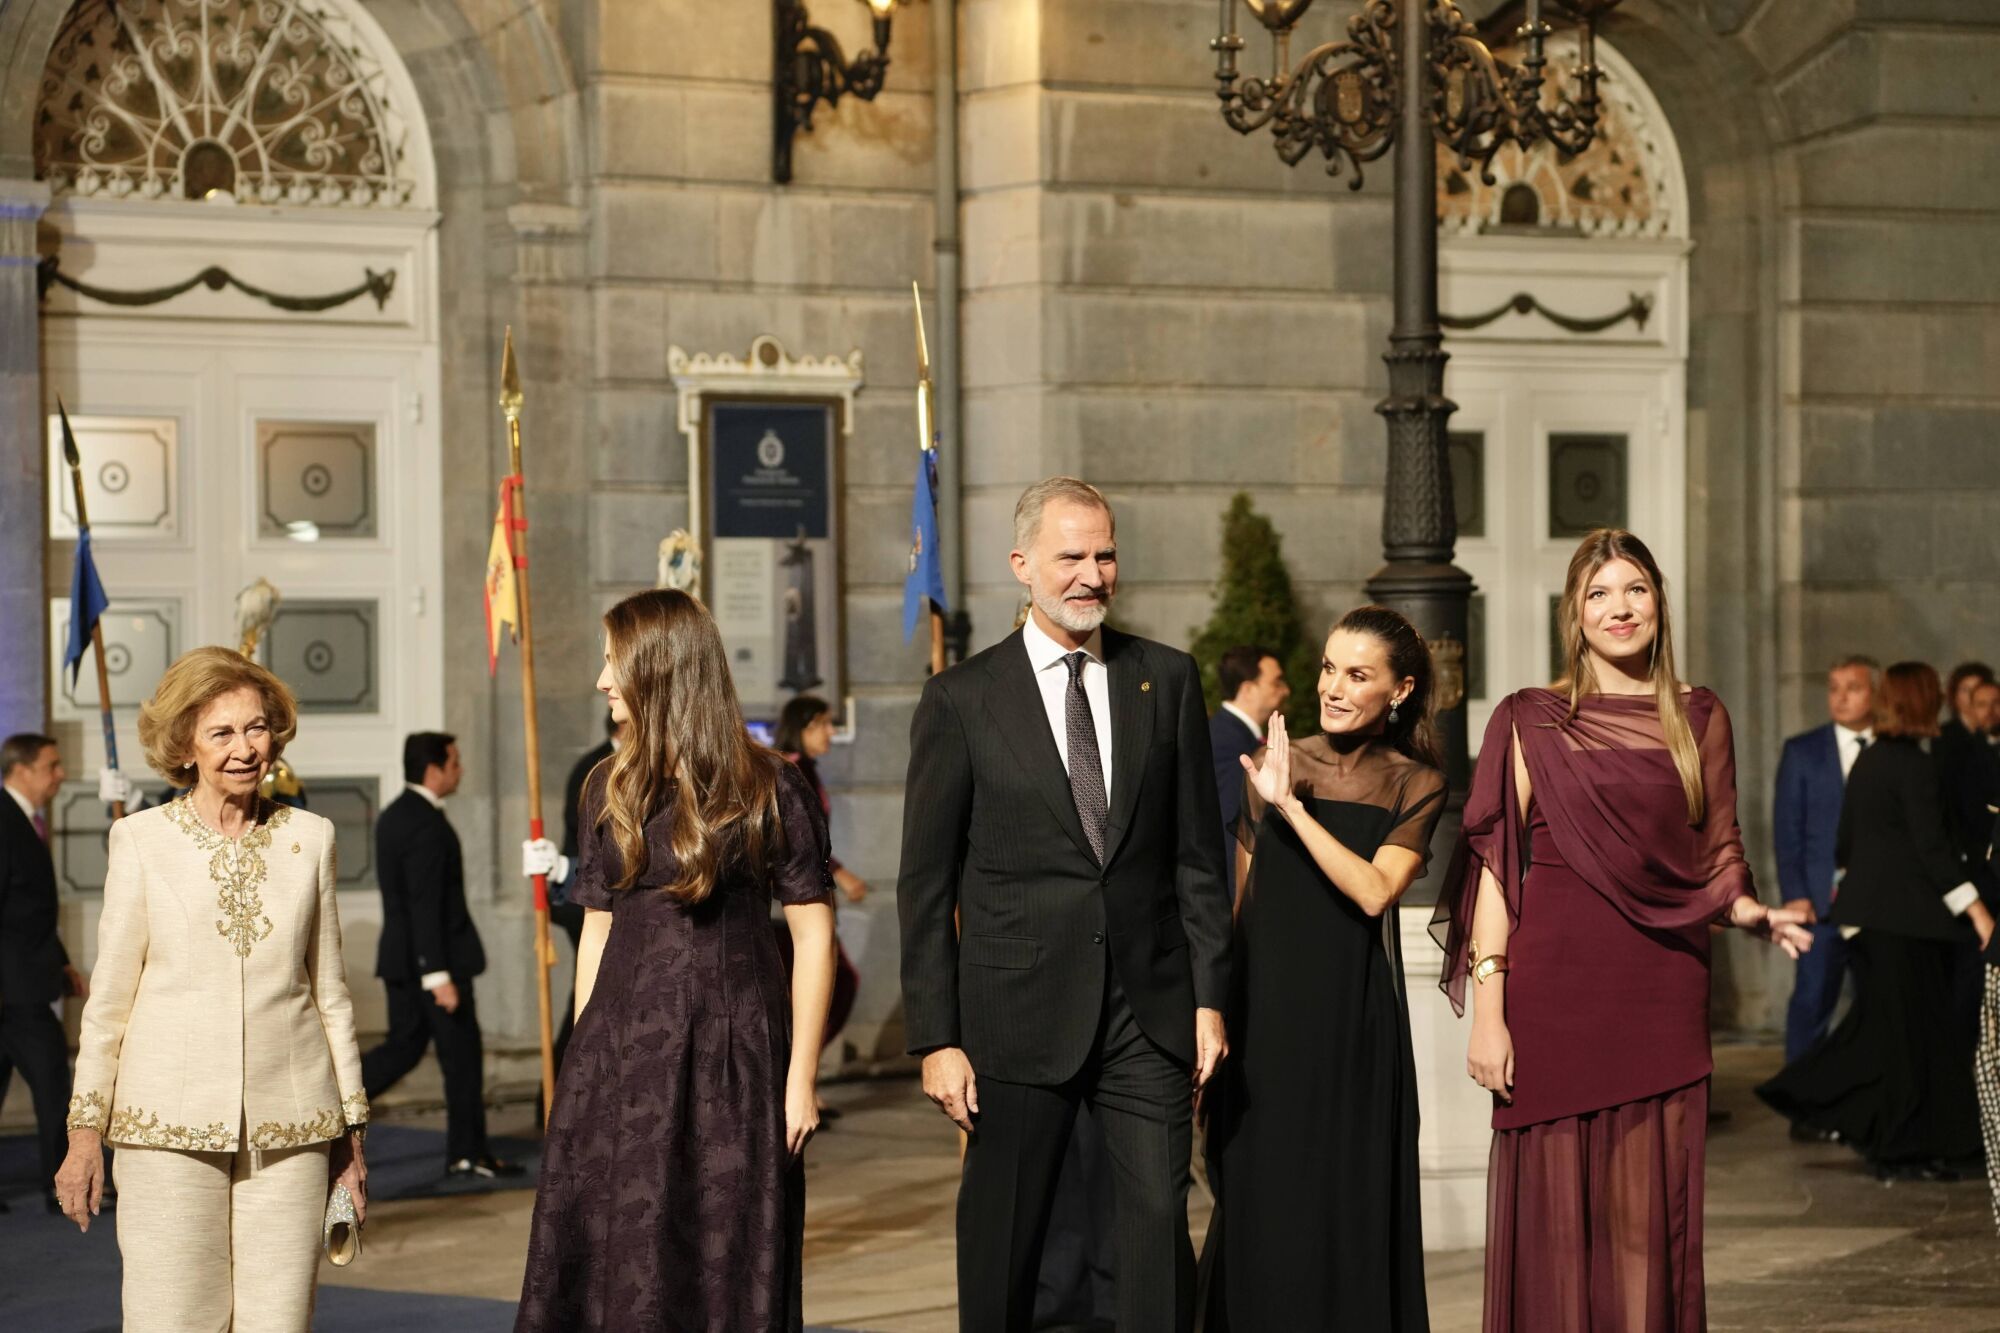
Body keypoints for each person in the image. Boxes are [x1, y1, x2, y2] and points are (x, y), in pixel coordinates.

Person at [1430, 528, 1811, 1332]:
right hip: (1555, 986)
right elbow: (1497, 867)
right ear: (1575, 613)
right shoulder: (1529, 718)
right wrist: (1490, 1011)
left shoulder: (1699, 714)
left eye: (1635, 588)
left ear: (1659, 603)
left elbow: (1719, 846)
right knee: (1557, 1224)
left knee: (1648, 1221)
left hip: (1661, 985)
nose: (1619, 606)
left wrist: (1748, 909)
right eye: (1599, 592)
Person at [898, 476, 1233, 1333]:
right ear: (1022, 566)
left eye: (1106, 553)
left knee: (1159, 1229)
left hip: (1147, 1013)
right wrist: (937, 1037)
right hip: (1014, 1016)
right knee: (1007, 1240)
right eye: (1071, 556)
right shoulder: (962, 700)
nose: (1092, 573)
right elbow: (927, 885)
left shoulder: (1168, 679)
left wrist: (1207, 996)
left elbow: (1197, 857)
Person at [516, 589, 837, 1332]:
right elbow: (596, 927)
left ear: (661, 670)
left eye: (612, 663)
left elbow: (815, 936)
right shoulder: (608, 783)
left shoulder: (769, 782)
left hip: (734, 1056)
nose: (601, 681)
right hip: (621, 1053)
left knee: (723, 1251)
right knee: (615, 1251)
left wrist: (802, 1079)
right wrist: (580, 1064)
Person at [54, 647, 367, 1330]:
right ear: (184, 744)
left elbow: (331, 995)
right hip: (164, 1125)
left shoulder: (311, 839)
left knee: (277, 1320)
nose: (244, 748)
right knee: (172, 1317)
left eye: (256, 728)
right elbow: (107, 1005)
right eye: (221, 732)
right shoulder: (138, 841)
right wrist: (84, 1135)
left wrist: (351, 1134)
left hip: (290, 1127)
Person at [1200, 606, 1446, 1331]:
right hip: (1265, 1027)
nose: (1334, 687)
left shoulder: (1416, 782)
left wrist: (1293, 810)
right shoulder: (1277, 760)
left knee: (1343, 1211)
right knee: (1262, 1208)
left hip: (1350, 1032)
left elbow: (1374, 891)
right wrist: (1214, 1013)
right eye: (1329, 667)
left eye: (1358, 674)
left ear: (1398, 691)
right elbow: (1239, 909)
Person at [1759, 662, 1995, 1179]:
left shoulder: (1873, 761)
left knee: (1890, 1039)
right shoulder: (1913, 766)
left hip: (1876, 923)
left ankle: (1908, 1144)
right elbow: (1933, 851)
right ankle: (1898, 1146)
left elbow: (1846, 842)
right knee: (1903, 1042)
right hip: (1903, 927)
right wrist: (1977, 911)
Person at [361, 733, 517, 1178]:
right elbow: (424, 902)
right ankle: (467, 1151)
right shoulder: (424, 823)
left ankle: (335, 1101)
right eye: (455, 762)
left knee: (404, 1048)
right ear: (434, 769)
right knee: (462, 1058)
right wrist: (437, 975)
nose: (460, 770)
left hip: (404, 961)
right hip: (432, 965)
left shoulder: (396, 815)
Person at [1, 733, 90, 1214]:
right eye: (52, 766)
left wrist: (61, 963)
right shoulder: (4, 818)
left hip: (24, 983)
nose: (60, 775)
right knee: (57, 1087)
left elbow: (26, 908)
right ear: (22, 769)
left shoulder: (24, 820)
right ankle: (65, 1187)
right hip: (15, 993)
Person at [1774, 656, 1878, 1067]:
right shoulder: (1803, 751)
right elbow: (1788, 833)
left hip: (1880, 906)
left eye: (1853, 688)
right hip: (1819, 905)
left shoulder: (1894, 748)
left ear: (1876, 694)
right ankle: (1804, 1103)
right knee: (1812, 1000)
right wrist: (1796, 895)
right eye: (1834, 688)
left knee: (1880, 1005)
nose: (1841, 697)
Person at [772, 695, 865, 1102]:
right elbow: (800, 843)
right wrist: (838, 875)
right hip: (789, 903)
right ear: (806, 725)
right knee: (836, 983)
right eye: (825, 723)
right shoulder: (791, 770)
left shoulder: (805, 769)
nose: (830, 732)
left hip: (805, 894)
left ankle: (794, 1081)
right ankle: (793, 1081)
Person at [1208, 645, 1290, 891]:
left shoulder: (1232, 735)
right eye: (1276, 683)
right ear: (1247, 689)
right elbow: (1231, 827)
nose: (1286, 690)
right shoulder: (1228, 743)